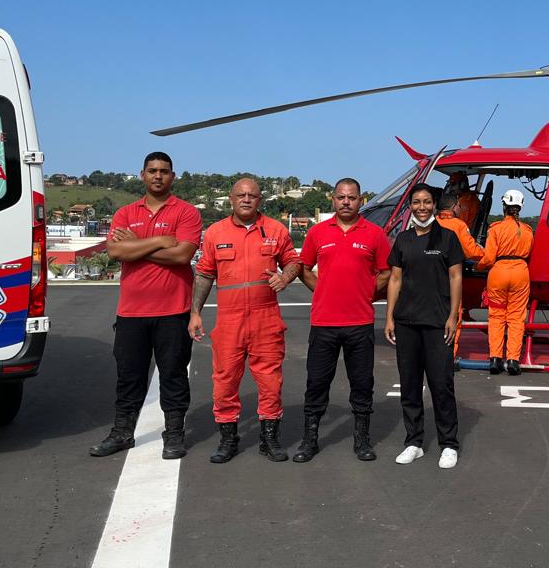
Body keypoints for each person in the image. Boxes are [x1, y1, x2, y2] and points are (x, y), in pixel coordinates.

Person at [90, 152, 202, 459]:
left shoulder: (187, 212)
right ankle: (122, 433)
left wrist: (136, 244)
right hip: (131, 313)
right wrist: (158, 240)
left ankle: (174, 435)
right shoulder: (125, 213)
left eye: (164, 171)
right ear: (142, 175)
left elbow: (181, 256)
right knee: (129, 377)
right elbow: (115, 252)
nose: (158, 176)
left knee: (173, 375)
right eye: (152, 170)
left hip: (173, 312)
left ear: (173, 176)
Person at [189, 178, 302, 464]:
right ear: (231, 199)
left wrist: (285, 277)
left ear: (260, 200)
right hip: (230, 319)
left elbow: (293, 261)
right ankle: (228, 439)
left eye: (252, 195)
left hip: (266, 317)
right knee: (225, 380)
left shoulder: (276, 230)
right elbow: (204, 274)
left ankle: (269, 439)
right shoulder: (215, 233)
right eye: (241, 195)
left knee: (270, 381)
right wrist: (195, 312)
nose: (246, 199)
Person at [293, 178, 391, 463]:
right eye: (341, 197)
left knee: (362, 383)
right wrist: (322, 290)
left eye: (352, 197)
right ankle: (309, 440)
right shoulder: (317, 232)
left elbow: (386, 272)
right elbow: (303, 268)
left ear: (361, 200)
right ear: (333, 199)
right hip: (324, 322)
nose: (346, 202)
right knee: (317, 382)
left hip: (359, 322)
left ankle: (362, 439)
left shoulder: (375, 234)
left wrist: (366, 293)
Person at [385, 185, 465, 468]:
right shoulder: (403, 239)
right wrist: (389, 317)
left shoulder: (448, 237)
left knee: (441, 384)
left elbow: (456, 277)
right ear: (410, 206)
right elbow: (395, 279)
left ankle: (449, 443)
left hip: (437, 323)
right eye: (417, 202)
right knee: (409, 385)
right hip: (407, 323)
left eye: (427, 202)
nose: (422, 207)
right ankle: (414, 442)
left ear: (434, 205)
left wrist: (453, 316)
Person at [477, 189, 533, 376]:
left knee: (496, 316)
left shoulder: (495, 228)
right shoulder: (527, 231)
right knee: (516, 318)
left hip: (498, 273)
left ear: (504, 206)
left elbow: (488, 258)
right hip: (520, 273)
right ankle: (513, 361)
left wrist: (478, 266)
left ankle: (495, 358)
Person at [436, 190, 484, 358]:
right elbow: (471, 251)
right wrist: (486, 254)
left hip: (428, 277)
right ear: (454, 207)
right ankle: (449, 355)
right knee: (453, 314)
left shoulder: (429, 223)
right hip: (450, 277)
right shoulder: (458, 225)